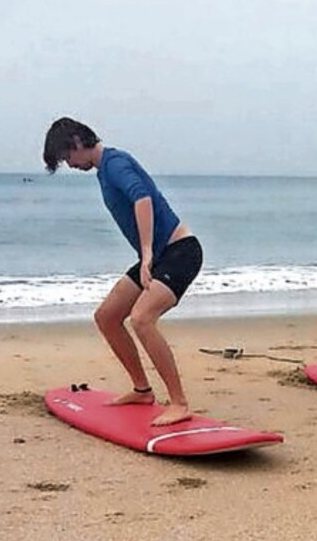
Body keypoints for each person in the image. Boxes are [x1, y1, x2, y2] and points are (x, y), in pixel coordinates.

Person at [43, 118, 203, 426]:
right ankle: (142, 390)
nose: (70, 164)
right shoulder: (104, 170)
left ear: (77, 141)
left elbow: (142, 199)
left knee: (142, 319)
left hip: (180, 253)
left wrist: (146, 255)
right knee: (107, 316)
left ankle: (179, 403)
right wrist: (148, 257)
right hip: (159, 257)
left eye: (67, 157)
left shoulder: (115, 163)